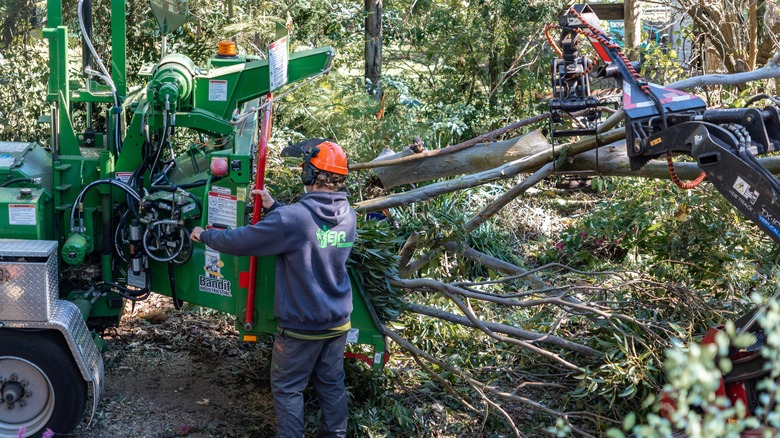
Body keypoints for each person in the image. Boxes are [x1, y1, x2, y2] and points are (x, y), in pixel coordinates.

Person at [190, 140, 356, 438]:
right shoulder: (348, 215)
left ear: (309, 174)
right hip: (337, 323)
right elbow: (310, 234)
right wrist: (274, 207)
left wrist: (207, 235)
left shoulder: (292, 219)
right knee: (332, 384)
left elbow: (243, 241)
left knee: (288, 388)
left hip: (301, 327)